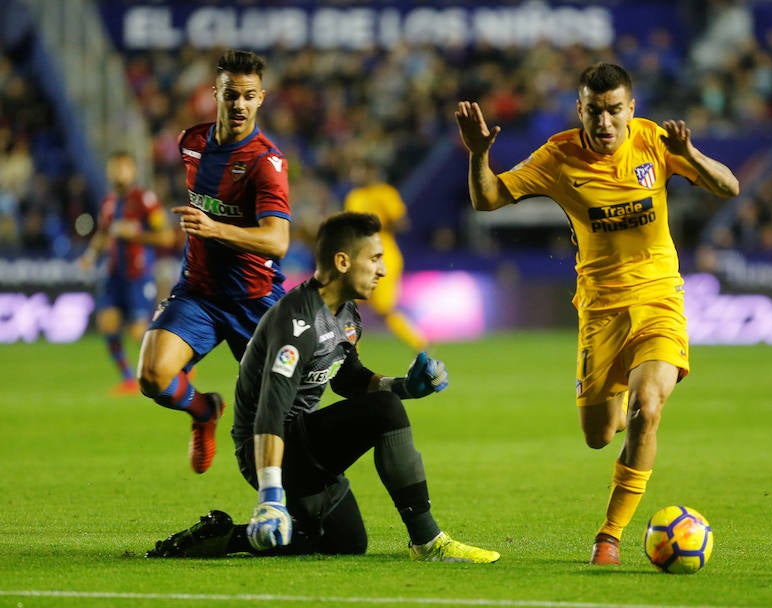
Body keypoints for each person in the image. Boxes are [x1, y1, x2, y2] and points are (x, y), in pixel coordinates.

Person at [455, 63, 739, 566]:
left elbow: (728, 187)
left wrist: (688, 154)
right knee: (599, 436)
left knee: (647, 410)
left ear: (631, 109)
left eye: (614, 110)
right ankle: (626, 389)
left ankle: (609, 536)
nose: (605, 122)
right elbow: (488, 199)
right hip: (601, 311)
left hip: (659, 299)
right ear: (580, 110)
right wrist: (479, 155)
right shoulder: (559, 156)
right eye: (594, 111)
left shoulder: (654, 142)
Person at [146, 211, 500, 563]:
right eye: (375, 258)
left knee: (345, 541)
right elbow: (271, 410)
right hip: (270, 449)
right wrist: (270, 496)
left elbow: (349, 379)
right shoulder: (296, 321)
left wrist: (407, 386)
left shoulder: (346, 313)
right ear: (343, 261)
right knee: (386, 412)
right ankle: (429, 542)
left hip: (303, 449)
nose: (383, 270)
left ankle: (224, 536)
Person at [137, 49, 291, 475]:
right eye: (230, 94)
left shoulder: (266, 162)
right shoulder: (191, 143)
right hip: (199, 293)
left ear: (261, 98)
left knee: (278, 417)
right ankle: (204, 411)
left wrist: (214, 229)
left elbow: (278, 242)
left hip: (254, 301)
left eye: (248, 96)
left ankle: (287, 504)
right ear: (215, 93)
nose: (238, 104)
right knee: (152, 376)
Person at [79, 151, 175, 395]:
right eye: (114, 167)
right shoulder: (109, 202)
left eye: (123, 168)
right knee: (107, 322)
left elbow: (166, 235)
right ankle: (128, 379)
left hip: (138, 273)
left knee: (137, 331)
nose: (117, 173)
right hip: (114, 273)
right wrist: (90, 256)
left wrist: (134, 234)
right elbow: (103, 233)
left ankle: (178, 363)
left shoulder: (145, 199)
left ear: (132, 171)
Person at [343, 160, 428, 351]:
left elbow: (402, 223)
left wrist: (375, 226)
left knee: (384, 309)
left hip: (384, 255)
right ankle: (349, 353)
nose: (356, 175)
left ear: (371, 172)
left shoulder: (385, 193)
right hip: (360, 257)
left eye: (361, 170)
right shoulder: (354, 196)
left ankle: (420, 344)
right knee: (348, 305)